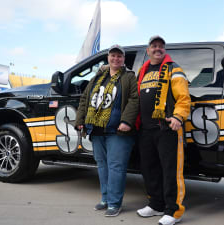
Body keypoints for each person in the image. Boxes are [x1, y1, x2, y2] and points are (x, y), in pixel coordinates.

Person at [75, 44, 138, 217]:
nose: (116, 59)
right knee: (102, 166)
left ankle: (114, 203)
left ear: (123, 59)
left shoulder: (129, 77)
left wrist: (126, 121)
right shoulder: (99, 76)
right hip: (96, 129)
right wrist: (80, 120)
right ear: (108, 57)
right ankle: (105, 198)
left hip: (118, 130)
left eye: (119, 56)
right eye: (113, 56)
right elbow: (85, 99)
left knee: (116, 166)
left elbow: (134, 100)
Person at [136, 35, 191, 225]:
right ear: (147, 50)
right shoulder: (142, 71)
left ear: (164, 50)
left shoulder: (173, 69)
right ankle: (156, 204)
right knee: (149, 169)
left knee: (171, 171)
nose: (157, 49)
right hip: (146, 129)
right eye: (154, 46)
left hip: (166, 128)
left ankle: (174, 211)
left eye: (161, 46)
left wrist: (178, 117)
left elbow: (183, 97)